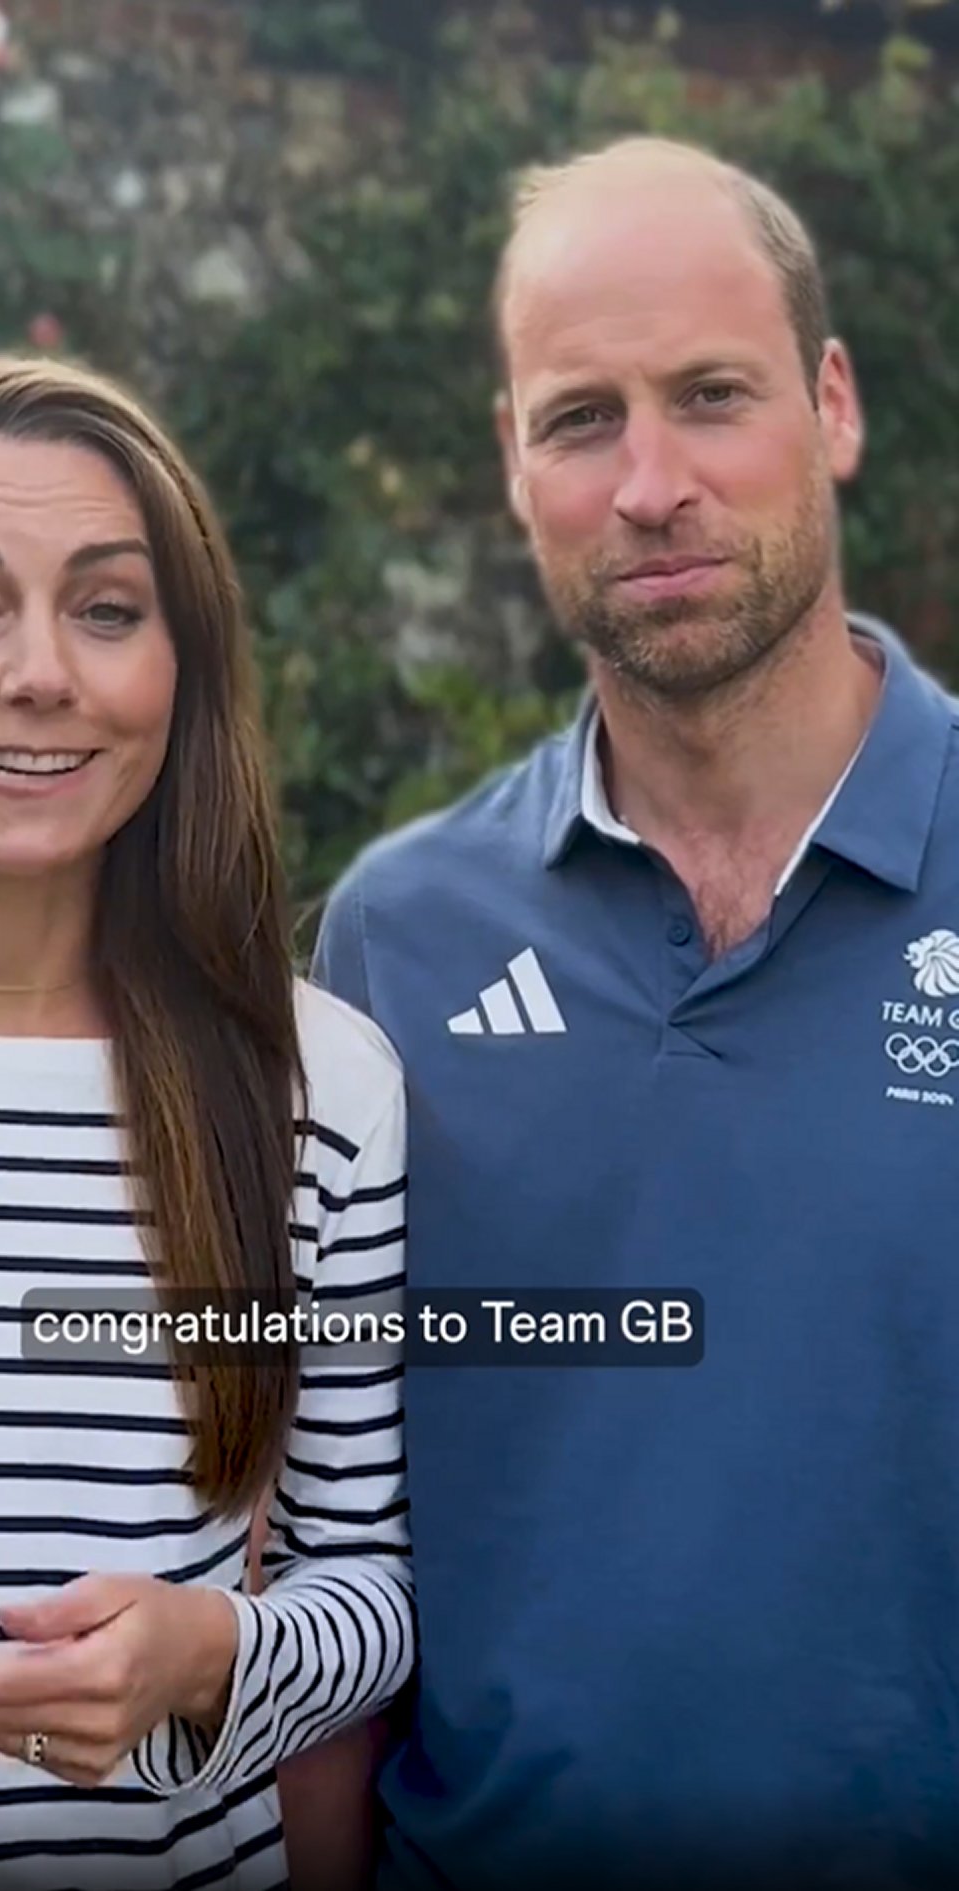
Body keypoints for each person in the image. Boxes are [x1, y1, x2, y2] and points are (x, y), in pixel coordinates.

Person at [312, 133, 959, 1889]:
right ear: (514, 463)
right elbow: (319, 1529)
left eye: (712, 396)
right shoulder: (396, 942)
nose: (650, 481)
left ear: (832, 405)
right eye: (582, 417)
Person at [0, 351, 413, 1890]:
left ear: (175, 672)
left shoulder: (318, 1091)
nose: (41, 672)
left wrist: (209, 1657)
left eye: (109, 610)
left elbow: (370, 1592)